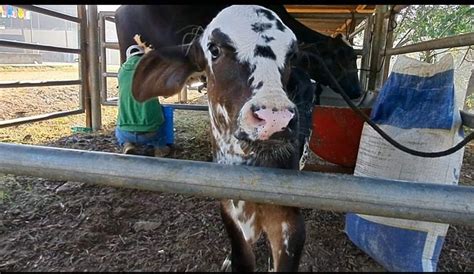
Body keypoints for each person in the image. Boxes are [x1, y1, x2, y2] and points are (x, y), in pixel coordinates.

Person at [115, 39, 171, 157]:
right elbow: (166, 93)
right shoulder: (152, 71)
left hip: (125, 131)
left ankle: (127, 144)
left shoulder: (121, 71)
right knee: (162, 118)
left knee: (119, 128)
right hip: (151, 132)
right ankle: (159, 147)